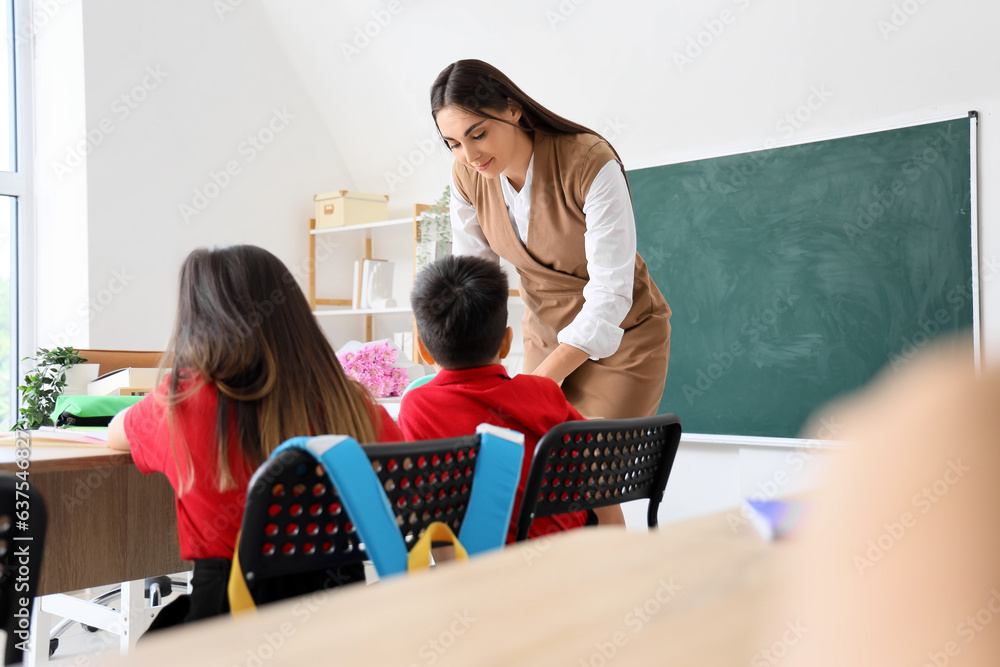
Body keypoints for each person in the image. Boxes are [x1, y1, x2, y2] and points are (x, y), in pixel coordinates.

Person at [108, 245, 404, 628]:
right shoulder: (351, 404)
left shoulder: (180, 401)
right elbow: (400, 477)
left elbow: (118, 434)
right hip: (336, 622)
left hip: (226, 623)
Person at [430, 59, 671, 422]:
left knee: (597, 469)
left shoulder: (588, 161)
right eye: (454, 144)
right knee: (542, 472)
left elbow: (611, 291)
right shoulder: (466, 176)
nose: (470, 155)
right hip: (543, 335)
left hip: (621, 335)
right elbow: (473, 283)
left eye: (478, 135)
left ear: (512, 110)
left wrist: (545, 376)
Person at [397, 255, 592, 543]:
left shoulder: (418, 406)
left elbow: (420, 508)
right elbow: (595, 472)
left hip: (488, 572)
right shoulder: (545, 391)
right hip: (570, 557)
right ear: (506, 341)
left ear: (422, 350)